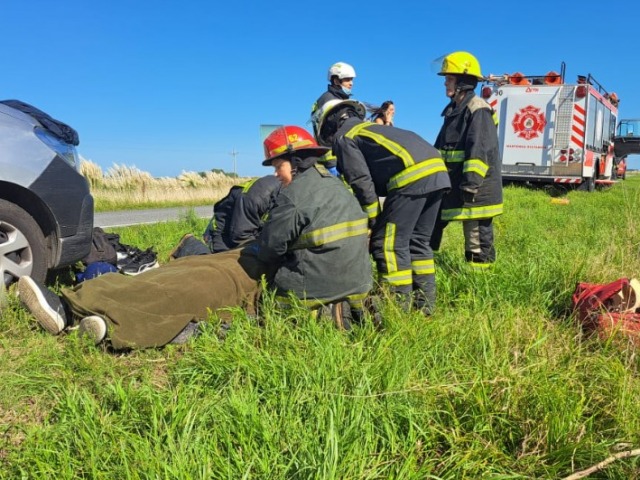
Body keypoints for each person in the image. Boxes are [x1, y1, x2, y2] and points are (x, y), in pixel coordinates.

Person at [17, 126, 372, 350]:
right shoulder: (336, 188)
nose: (276, 175)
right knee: (197, 271)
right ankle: (101, 318)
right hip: (342, 284)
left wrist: (238, 256)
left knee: (193, 281)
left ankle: (69, 307)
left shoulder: (295, 196)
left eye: (277, 166)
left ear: (295, 161)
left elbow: (271, 248)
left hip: (296, 287)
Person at [312, 99, 451, 315]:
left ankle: (396, 309)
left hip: (410, 177)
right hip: (438, 173)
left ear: (329, 123)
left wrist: (373, 220)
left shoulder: (344, 137)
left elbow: (361, 181)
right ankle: (425, 307)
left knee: (388, 244)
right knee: (418, 242)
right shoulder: (369, 129)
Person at [431, 51, 503, 269]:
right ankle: (422, 267)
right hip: (453, 186)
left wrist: (471, 184)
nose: (445, 83)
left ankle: (479, 286)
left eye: (449, 78)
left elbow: (479, 151)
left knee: (476, 242)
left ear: (463, 82)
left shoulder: (478, 109)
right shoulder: (453, 112)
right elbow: (439, 149)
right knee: (429, 225)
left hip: (474, 191)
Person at [171, 175, 282, 259]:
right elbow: (240, 235)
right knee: (221, 266)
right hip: (224, 233)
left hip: (245, 225)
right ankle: (188, 245)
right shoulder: (257, 197)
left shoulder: (283, 189)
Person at [311, 62, 357, 176]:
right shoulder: (331, 101)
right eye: (347, 79)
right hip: (333, 157)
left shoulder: (328, 98)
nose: (351, 83)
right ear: (336, 81)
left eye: (351, 79)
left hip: (328, 156)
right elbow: (342, 128)